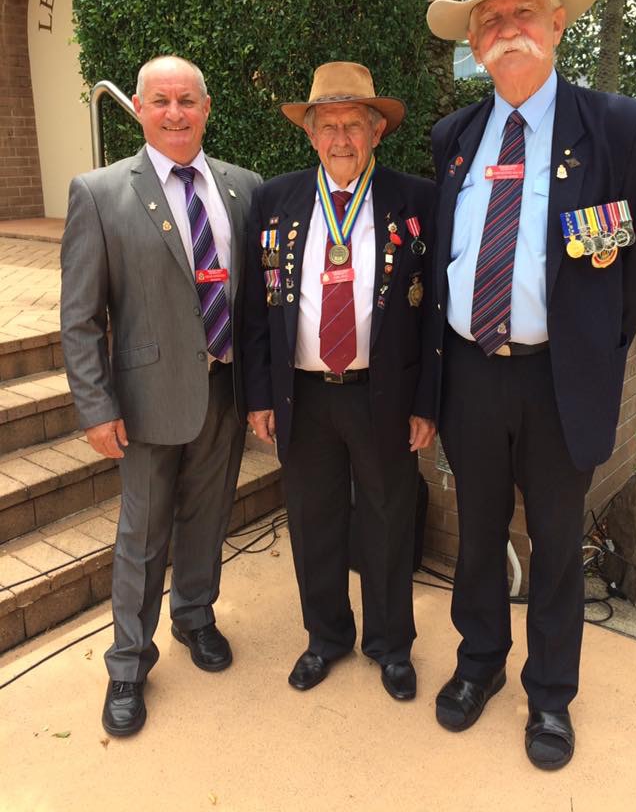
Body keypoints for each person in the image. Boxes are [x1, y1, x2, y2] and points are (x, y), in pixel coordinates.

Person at [426, 0, 636, 768]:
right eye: (489, 18)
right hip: (470, 375)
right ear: (473, 40)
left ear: (558, 22)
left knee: (558, 546)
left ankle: (551, 696)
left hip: (560, 380)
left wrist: (594, 343)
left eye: (522, 11)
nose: (506, 29)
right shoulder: (453, 137)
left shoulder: (619, 130)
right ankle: (479, 664)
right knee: (477, 534)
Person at [61, 55, 261, 737]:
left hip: (225, 392)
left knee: (208, 518)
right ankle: (127, 663)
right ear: (140, 110)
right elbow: (81, 317)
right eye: (161, 101)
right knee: (142, 538)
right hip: (145, 403)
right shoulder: (99, 193)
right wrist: (96, 407)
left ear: (207, 108)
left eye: (187, 100)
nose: (175, 113)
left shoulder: (243, 188)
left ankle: (195, 616)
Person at [242, 61, 436, 701]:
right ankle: (325, 637)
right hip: (303, 395)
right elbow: (256, 310)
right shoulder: (276, 200)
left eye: (354, 124)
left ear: (378, 131)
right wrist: (260, 396)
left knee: (388, 520)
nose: (341, 138)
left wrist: (426, 402)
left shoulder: (417, 200)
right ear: (310, 134)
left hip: (383, 394)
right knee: (312, 521)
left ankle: (390, 644)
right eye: (328, 126)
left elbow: (434, 313)